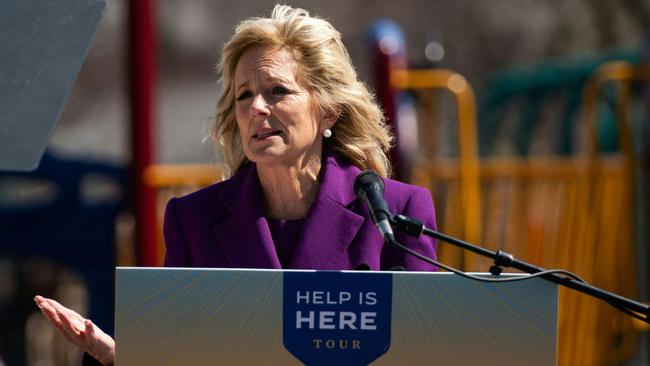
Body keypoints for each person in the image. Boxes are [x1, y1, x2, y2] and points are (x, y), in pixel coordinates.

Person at [34, 5, 437, 365]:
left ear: (329, 111)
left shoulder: (396, 212)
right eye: (244, 95)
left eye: (277, 91)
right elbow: (176, 353)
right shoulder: (192, 218)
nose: (256, 107)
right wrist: (123, 358)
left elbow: (428, 349)